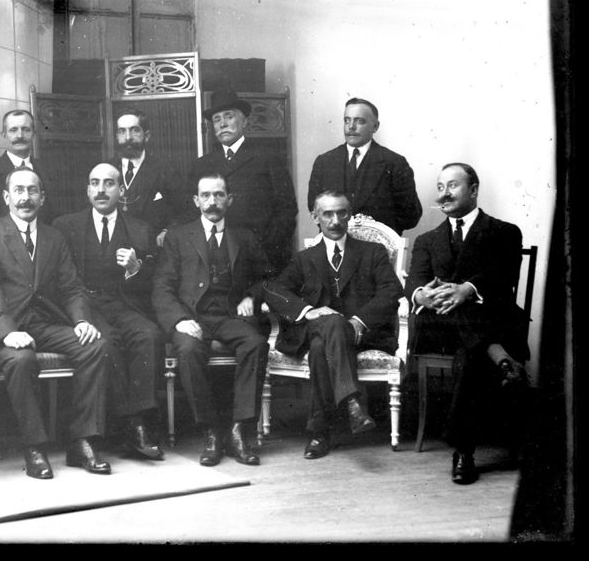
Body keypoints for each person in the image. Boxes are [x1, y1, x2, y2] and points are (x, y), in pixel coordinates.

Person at [0, 168, 112, 479]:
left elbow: (71, 287)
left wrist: (81, 321)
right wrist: (7, 333)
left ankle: (82, 440)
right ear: (6, 197)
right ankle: (34, 446)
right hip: (8, 327)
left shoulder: (53, 236)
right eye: (18, 191)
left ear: (42, 197)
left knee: (96, 345)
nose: (25, 198)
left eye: (32, 191)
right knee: (21, 360)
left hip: (45, 323)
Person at [406, 163, 530, 485]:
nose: (443, 193)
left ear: (473, 190)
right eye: (440, 186)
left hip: (486, 323)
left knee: (468, 354)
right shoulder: (426, 240)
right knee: (452, 310)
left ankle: (463, 452)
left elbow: (504, 282)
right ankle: (501, 358)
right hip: (440, 331)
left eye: (452, 186)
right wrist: (424, 296)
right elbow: (415, 285)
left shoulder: (504, 232)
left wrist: (465, 290)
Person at [265, 190, 404, 459]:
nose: (335, 219)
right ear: (315, 217)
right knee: (329, 326)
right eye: (327, 214)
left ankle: (319, 433)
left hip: (361, 332)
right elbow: (273, 289)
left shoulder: (372, 252)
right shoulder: (304, 258)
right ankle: (351, 401)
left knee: (320, 348)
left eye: (341, 212)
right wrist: (308, 311)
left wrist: (357, 320)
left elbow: (391, 291)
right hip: (318, 327)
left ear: (349, 215)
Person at [152, 172, 272, 467]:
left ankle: (238, 430)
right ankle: (210, 432)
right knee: (189, 350)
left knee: (256, 343)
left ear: (229, 200)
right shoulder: (179, 236)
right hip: (192, 316)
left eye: (218, 195)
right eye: (205, 195)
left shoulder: (243, 235)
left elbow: (267, 278)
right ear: (196, 200)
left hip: (229, 316)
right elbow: (162, 286)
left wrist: (252, 296)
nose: (212, 201)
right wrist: (179, 320)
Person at [54, 163, 166, 461]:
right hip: (83, 304)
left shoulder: (140, 229)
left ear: (122, 190)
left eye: (108, 183)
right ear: (87, 189)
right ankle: (130, 426)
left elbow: (155, 282)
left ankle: (140, 420)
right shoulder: (66, 226)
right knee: (108, 342)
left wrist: (135, 269)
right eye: (94, 183)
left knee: (149, 334)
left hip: (122, 302)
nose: (101, 190)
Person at [189, 89, 297, 273]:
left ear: (244, 121)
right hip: (217, 256)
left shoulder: (268, 158)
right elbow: (191, 210)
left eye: (229, 117)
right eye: (216, 119)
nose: (222, 124)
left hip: (260, 256)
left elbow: (287, 209)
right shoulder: (202, 165)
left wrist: (265, 246)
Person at [307, 98, 422, 235]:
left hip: (377, 251)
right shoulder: (324, 162)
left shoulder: (395, 163)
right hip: (335, 246)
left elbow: (410, 215)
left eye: (359, 121)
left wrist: (378, 232)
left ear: (375, 126)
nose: (351, 127)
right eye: (347, 120)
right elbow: (314, 208)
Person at [0, 109, 55, 232]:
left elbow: (56, 216)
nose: (20, 136)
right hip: (2, 246)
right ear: (4, 134)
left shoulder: (48, 170)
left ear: (34, 133)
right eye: (13, 130)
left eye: (26, 129)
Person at [107, 109, 185, 246]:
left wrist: (168, 231)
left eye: (134, 130)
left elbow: (185, 211)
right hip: (114, 249)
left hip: (153, 250)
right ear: (116, 136)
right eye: (122, 131)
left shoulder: (166, 169)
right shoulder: (107, 169)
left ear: (147, 135)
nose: (127, 137)